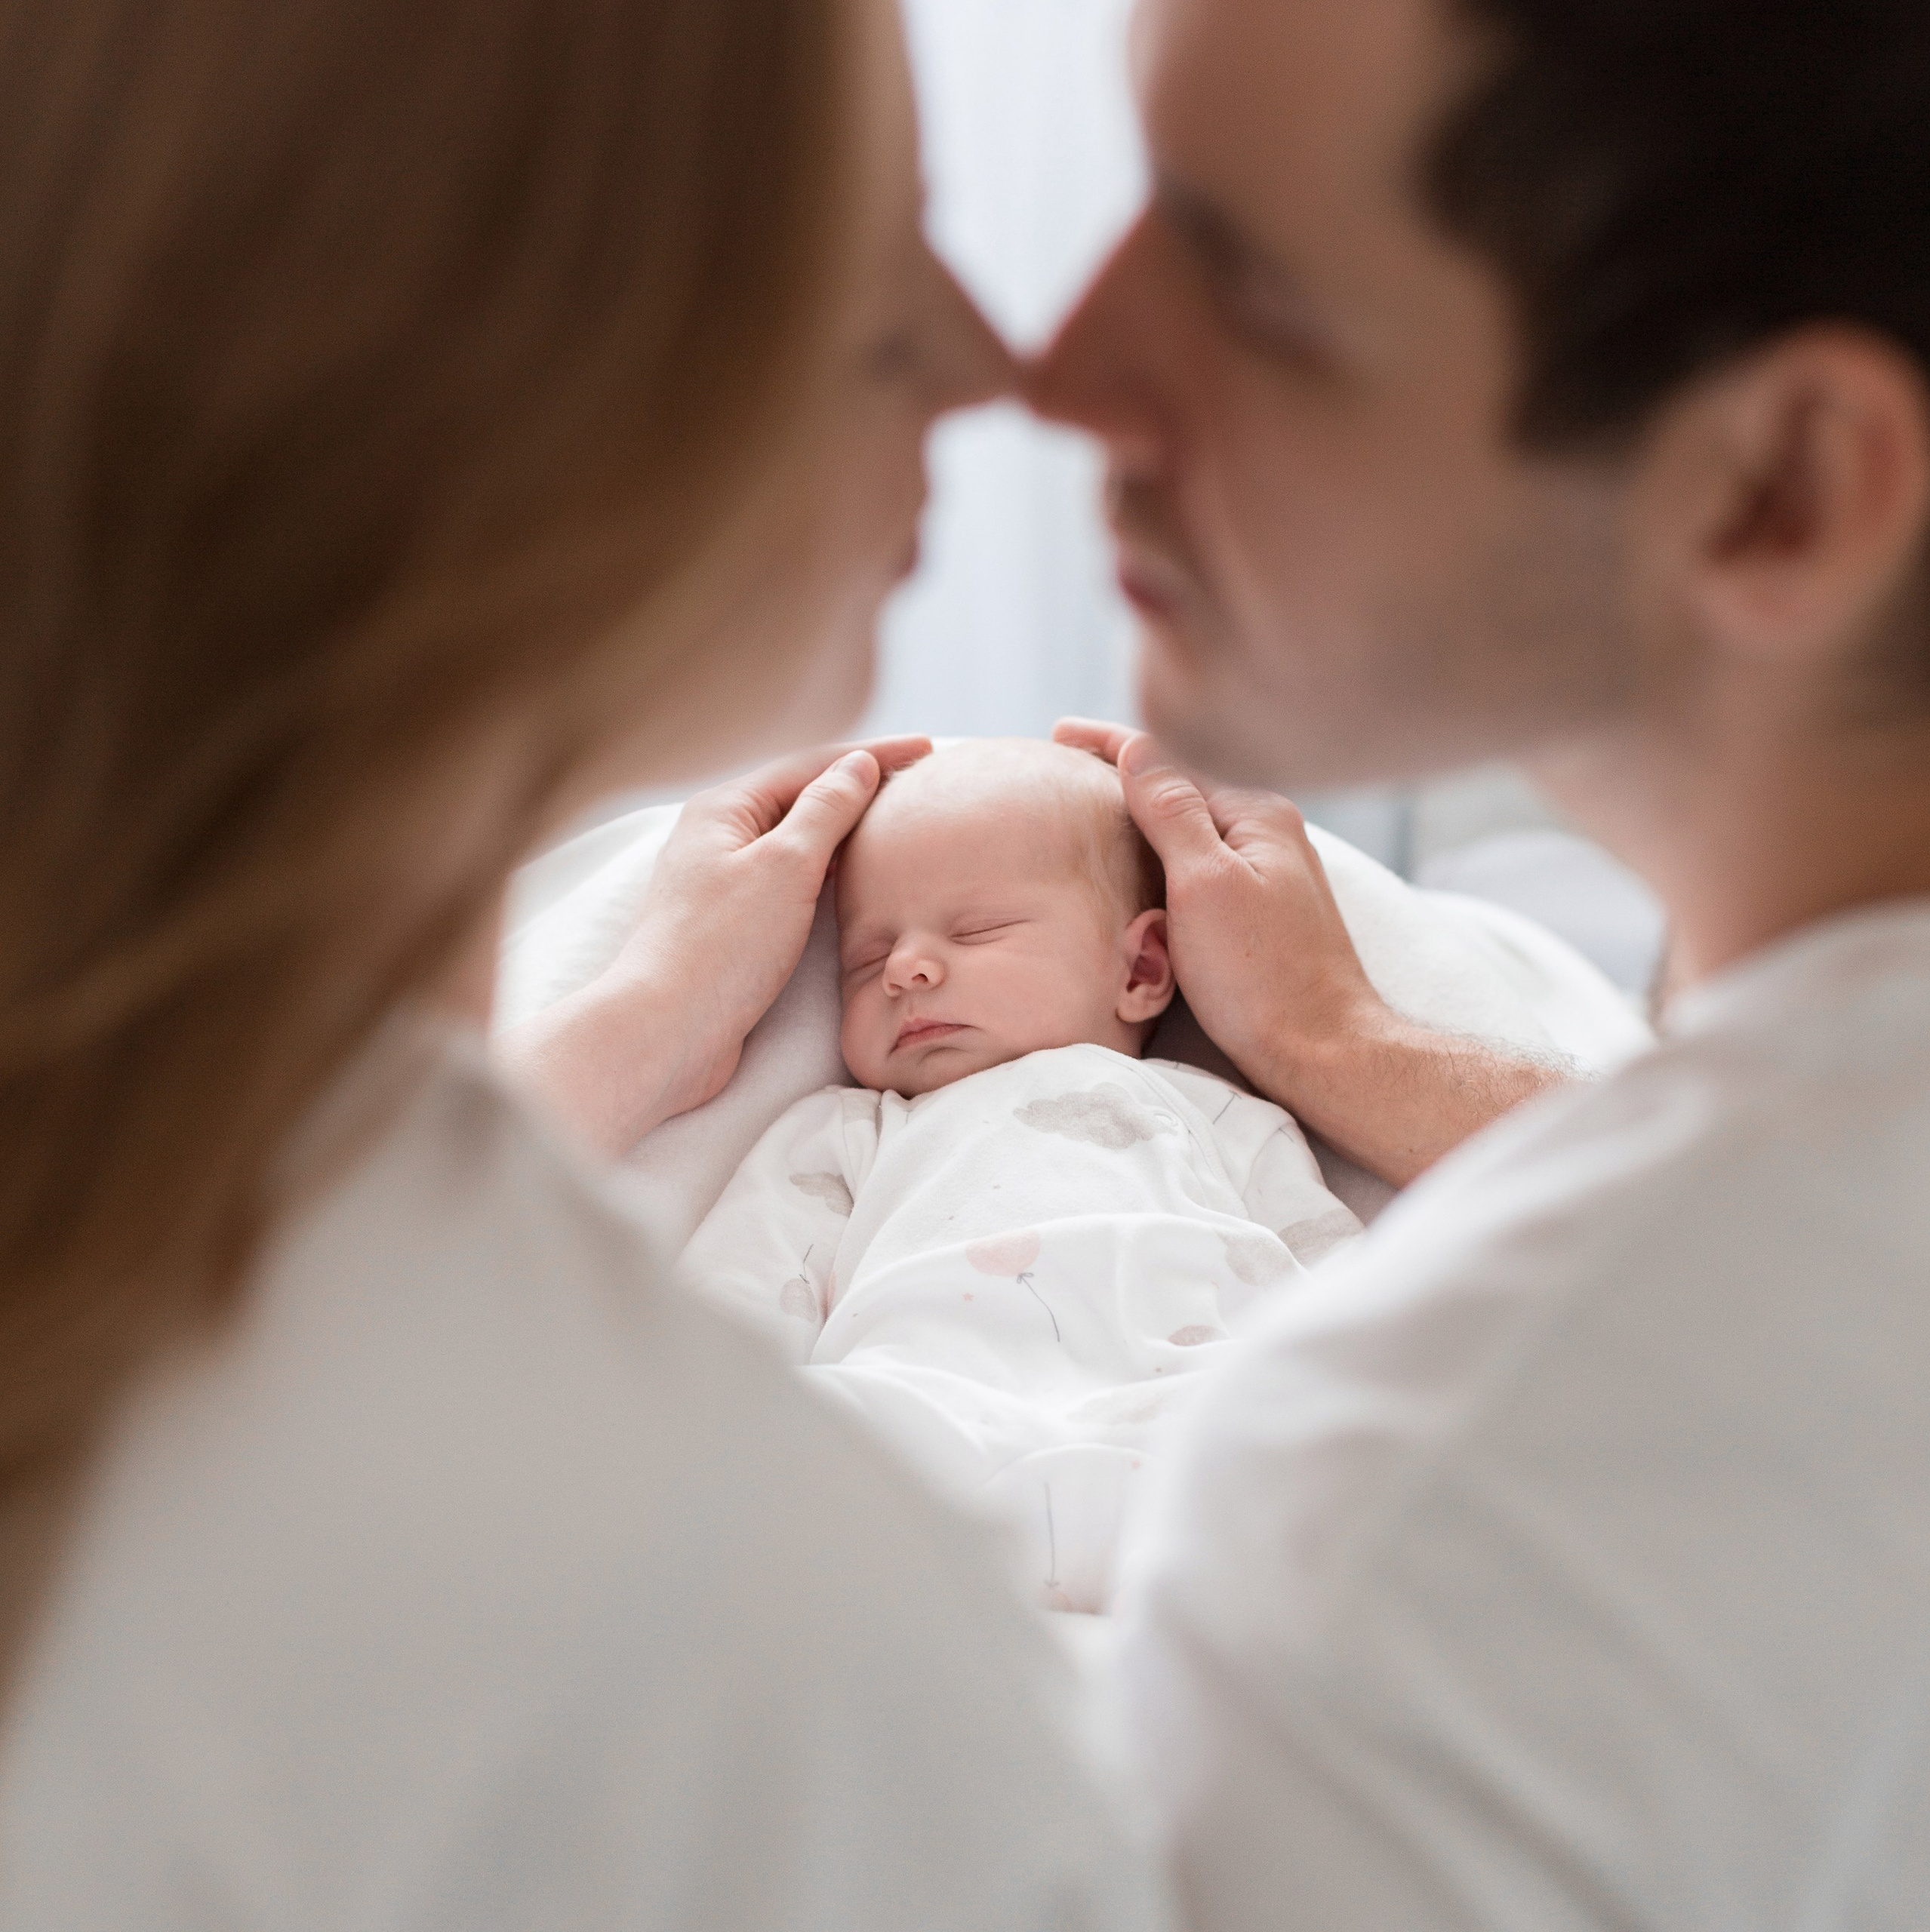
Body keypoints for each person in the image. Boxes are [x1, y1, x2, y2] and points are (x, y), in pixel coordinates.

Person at [0, 2, 1171, 1927]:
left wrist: (618, 1035)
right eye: (874, 271)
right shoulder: (772, 1658)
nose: (990, 362)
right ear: (511, 392)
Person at [1026, 0, 1930, 1924]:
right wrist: (1344, 1039)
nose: (1062, 370)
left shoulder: (1427, 1539)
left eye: (1250, 290)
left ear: (1774, 484)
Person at [679, 739, 1359, 1612]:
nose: (906, 968)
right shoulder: (851, 1130)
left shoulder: (1220, 1115)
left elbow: (1350, 1290)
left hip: (1180, 1424)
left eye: (975, 932)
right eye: (865, 960)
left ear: (1141, 968)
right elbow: (731, 1306)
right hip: (924, 1422)